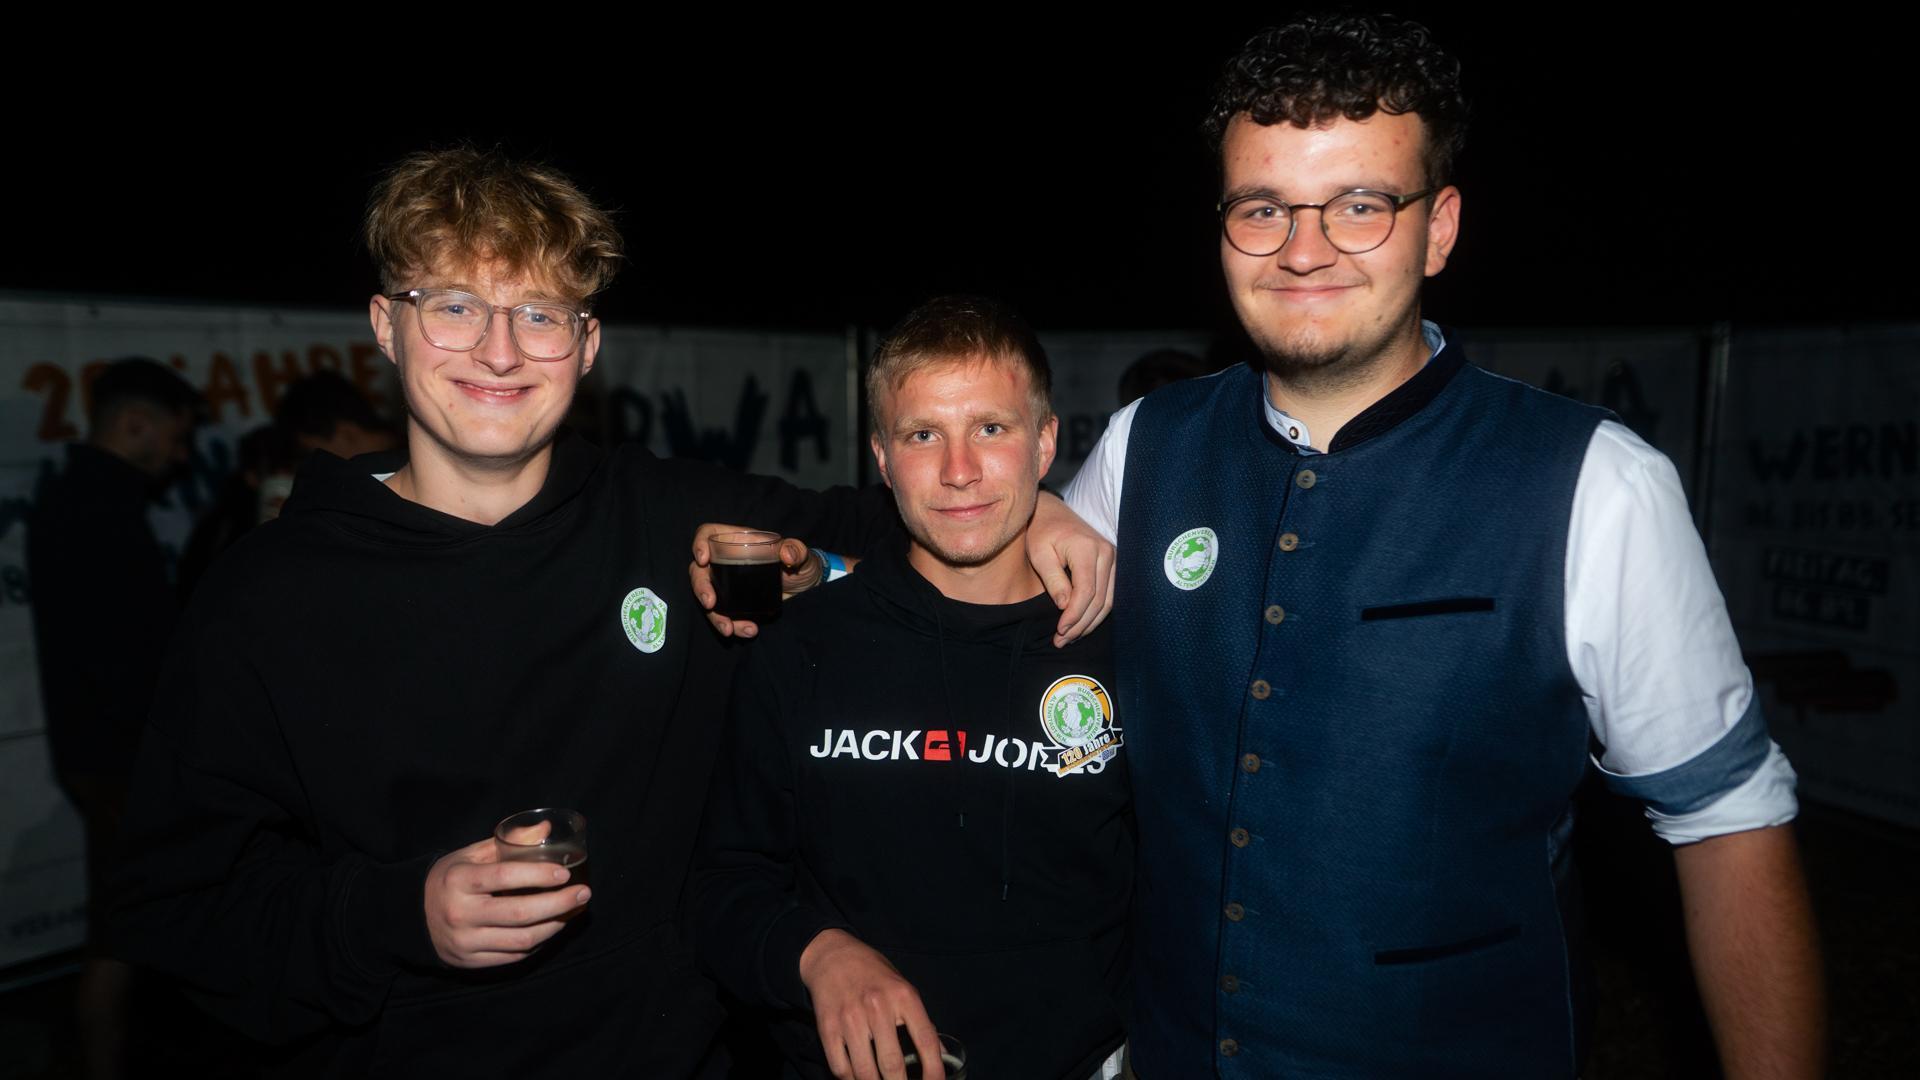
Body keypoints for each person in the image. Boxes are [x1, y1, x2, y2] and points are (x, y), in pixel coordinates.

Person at [109, 149, 1110, 1077]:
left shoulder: (665, 514)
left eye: (540, 314)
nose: (500, 351)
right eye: (454, 306)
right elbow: (174, 902)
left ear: (587, 346)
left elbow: (912, 504)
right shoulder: (270, 592)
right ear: (386, 324)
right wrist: (399, 914)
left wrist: (1049, 514)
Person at [1063, 15, 1823, 1078]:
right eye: (1263, 206)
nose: (1303, 246)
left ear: (1440, 228)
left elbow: (1730, 822)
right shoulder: (1146, 445)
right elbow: (981, 616)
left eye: (1361, 206)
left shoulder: (1597, 485)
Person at [694, 295, 1130, 1080]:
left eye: (990, 429)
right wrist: (817, 954)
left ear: (1046, 443)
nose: (959, 471)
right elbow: (724, 885)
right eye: (923, 434)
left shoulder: (1124, 651)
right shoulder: (801, 649)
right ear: (882, 458)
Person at [27, 356, 200, 1080]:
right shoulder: (96, 510)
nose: (180, 455)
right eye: (175, 436)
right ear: (136, 423)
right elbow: (125, 655)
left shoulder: (79, 499)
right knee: (120, 933)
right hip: (118, 757)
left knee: (125, 926)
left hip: (102, 753)